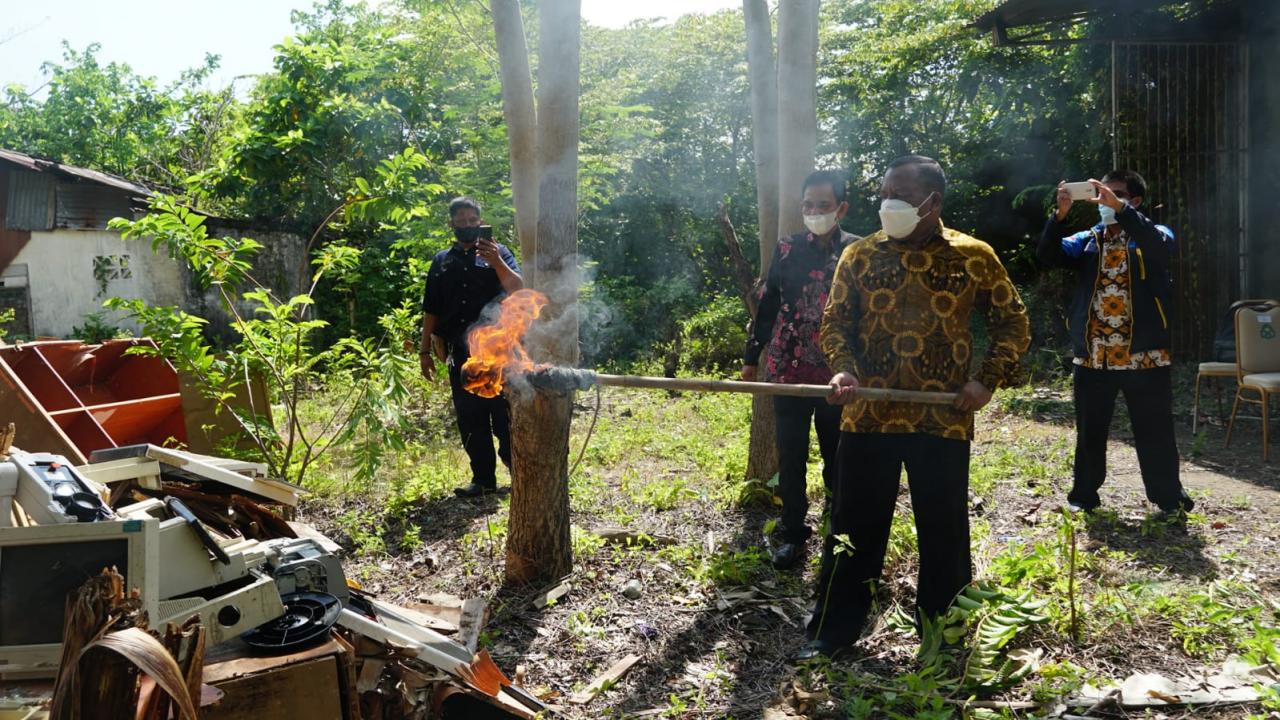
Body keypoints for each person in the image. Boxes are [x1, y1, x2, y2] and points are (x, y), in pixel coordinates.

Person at [801, 155, 1030, 660]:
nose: (889, 205)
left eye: (901, 197)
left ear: (933, 202)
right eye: (885, 195)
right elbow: (835, 321)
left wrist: (986, 380)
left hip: (941, 417)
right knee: (851, 527)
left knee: (944, 529)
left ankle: (943, 634)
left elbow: (1013, 321)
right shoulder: (860, 254)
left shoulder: (973, 256)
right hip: (867, 415)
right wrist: (844, 369)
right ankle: (832, 632)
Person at [1037, 171, 1193, 515]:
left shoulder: (1154, 233)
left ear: (1134, 201)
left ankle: (1169, 499)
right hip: (1095, 355)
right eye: (1101, 193)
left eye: (1115, 193)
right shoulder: (1088, 239)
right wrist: (1059, 216)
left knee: (1155, 431)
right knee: (1090, 433)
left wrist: (1123, 213)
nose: (1104, 199)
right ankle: (1083, 497)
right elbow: (1048, 255)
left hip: (1145, 355)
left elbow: (1161, 246)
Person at [742, 169, 858, 570]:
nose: (814, 212)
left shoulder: (858, 251)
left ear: (841, 208)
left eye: (823, 205)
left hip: (837, 372)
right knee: (791, 456)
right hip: (787, 368)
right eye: (808, 205)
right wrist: (751, 356)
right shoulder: (787, 248)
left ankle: (837, 534)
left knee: (837, 455)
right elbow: (769, 303)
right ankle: (792, 534)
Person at [420, 197, 523, 497]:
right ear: (451, 224)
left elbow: (519, 289)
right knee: (470, 418)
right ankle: (483, 480)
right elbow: (431, 308)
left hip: (499, 351)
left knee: (505, 416)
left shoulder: (499, 252)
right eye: (461, 221)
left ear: (481, 222)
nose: (467, 225)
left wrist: (496, 261)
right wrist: (424, 351)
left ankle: (520, 476)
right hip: (459, 353)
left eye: (472, 220)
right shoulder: (442, 261)